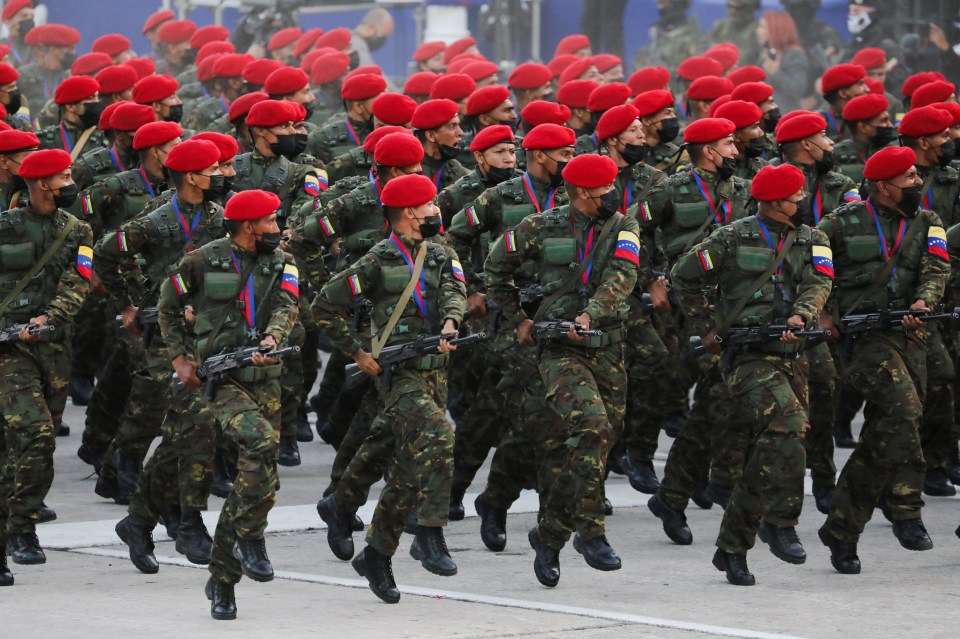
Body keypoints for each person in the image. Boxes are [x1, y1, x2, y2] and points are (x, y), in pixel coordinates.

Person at [482, 153, 639, 586]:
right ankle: (592, 533)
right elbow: (496, 269)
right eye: (607, 189)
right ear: (585, 192)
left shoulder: (624, 226)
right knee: (591, 427)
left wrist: (590, 314)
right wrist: (520, 319)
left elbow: (621, 277)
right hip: (559, 350)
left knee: (599, 443)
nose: (615, 195)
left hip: (607, 348)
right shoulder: (538, 227)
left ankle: (549, 536)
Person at [672, 163, 832, 585]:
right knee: (790, 425)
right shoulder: (731, 237)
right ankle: (781, 521)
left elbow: (820, 282)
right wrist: (707, 327)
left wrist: (802, 315)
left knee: (772, 451)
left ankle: (731, 548)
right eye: (796, 197)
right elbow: (683, 276)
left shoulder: (814, 238)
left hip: (792, 355)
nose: (802, 202)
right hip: (747, 359)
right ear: (776, 202)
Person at [313, 173, 466, 604]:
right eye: (431, 204)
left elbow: (456, 288)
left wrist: (452, 321)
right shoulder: (377, 260)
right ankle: (430, 533)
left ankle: (376, 553)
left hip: (435, 369)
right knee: (439, 436)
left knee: (406, 468)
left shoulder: (439, 253)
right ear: (410, 212)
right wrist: (359, 353)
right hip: (398, 374)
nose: (437, 210)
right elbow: (324, 306)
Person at [154, 189, 298, 620]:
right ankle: (251, 538)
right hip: (222, 380)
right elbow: (167, 305)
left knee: (261, 480)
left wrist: (273, 338)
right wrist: (180, 358)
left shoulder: (284, 262)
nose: (278, 228)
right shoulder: (201, 261)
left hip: (266, 380)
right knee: (258, 444)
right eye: (271, 221)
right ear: (249, 226)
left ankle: (222, 579)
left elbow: (287, 304)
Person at [817, 146, 949, 575]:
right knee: (903, 409)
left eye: (917, 175)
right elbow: (814, 272)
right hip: (863, 339)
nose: (917, 183)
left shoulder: (930, 222)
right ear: (882, 187)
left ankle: (842, 527)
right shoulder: (837, 224)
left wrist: (924, 302)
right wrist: (823, 313)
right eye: (908, 178)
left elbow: (937, 269)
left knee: (888, 429)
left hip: (912, 335)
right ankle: (907, 508)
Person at [0, 148, 92, 574]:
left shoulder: (78, 230)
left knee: (42, 441)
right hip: (8, 351)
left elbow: (80, 283)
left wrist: (48, 319)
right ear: (41, 183)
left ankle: (21, 520)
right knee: (31, 435)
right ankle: (18, 529)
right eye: (64, 176)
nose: (71, 183)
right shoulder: (4, 228)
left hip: (54, 348)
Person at [754, 11, 809, 114]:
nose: (757, 31)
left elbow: (797, 90)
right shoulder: (765, 53)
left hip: (784, 115)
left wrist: (777, 73)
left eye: (762, 27)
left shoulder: (794, 55)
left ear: (775, 30)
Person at [710, 0, 761, 65]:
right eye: (730, 6)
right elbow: (708, 48)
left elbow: (751, 57)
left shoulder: (758, 30)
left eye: (738, 7)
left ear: (749, 8)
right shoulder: (721, 26)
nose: (733, 11)